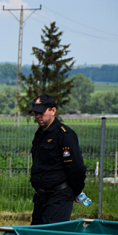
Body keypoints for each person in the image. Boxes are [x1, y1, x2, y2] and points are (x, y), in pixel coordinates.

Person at [28, 93, 87, 225]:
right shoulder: (40, 134)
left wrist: (77, 190)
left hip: (59, 197)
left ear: (53, 111)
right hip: (41, 198)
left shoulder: (64, 135)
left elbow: (76, 168)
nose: (37, 116)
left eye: (41, 112)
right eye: (35, 113)